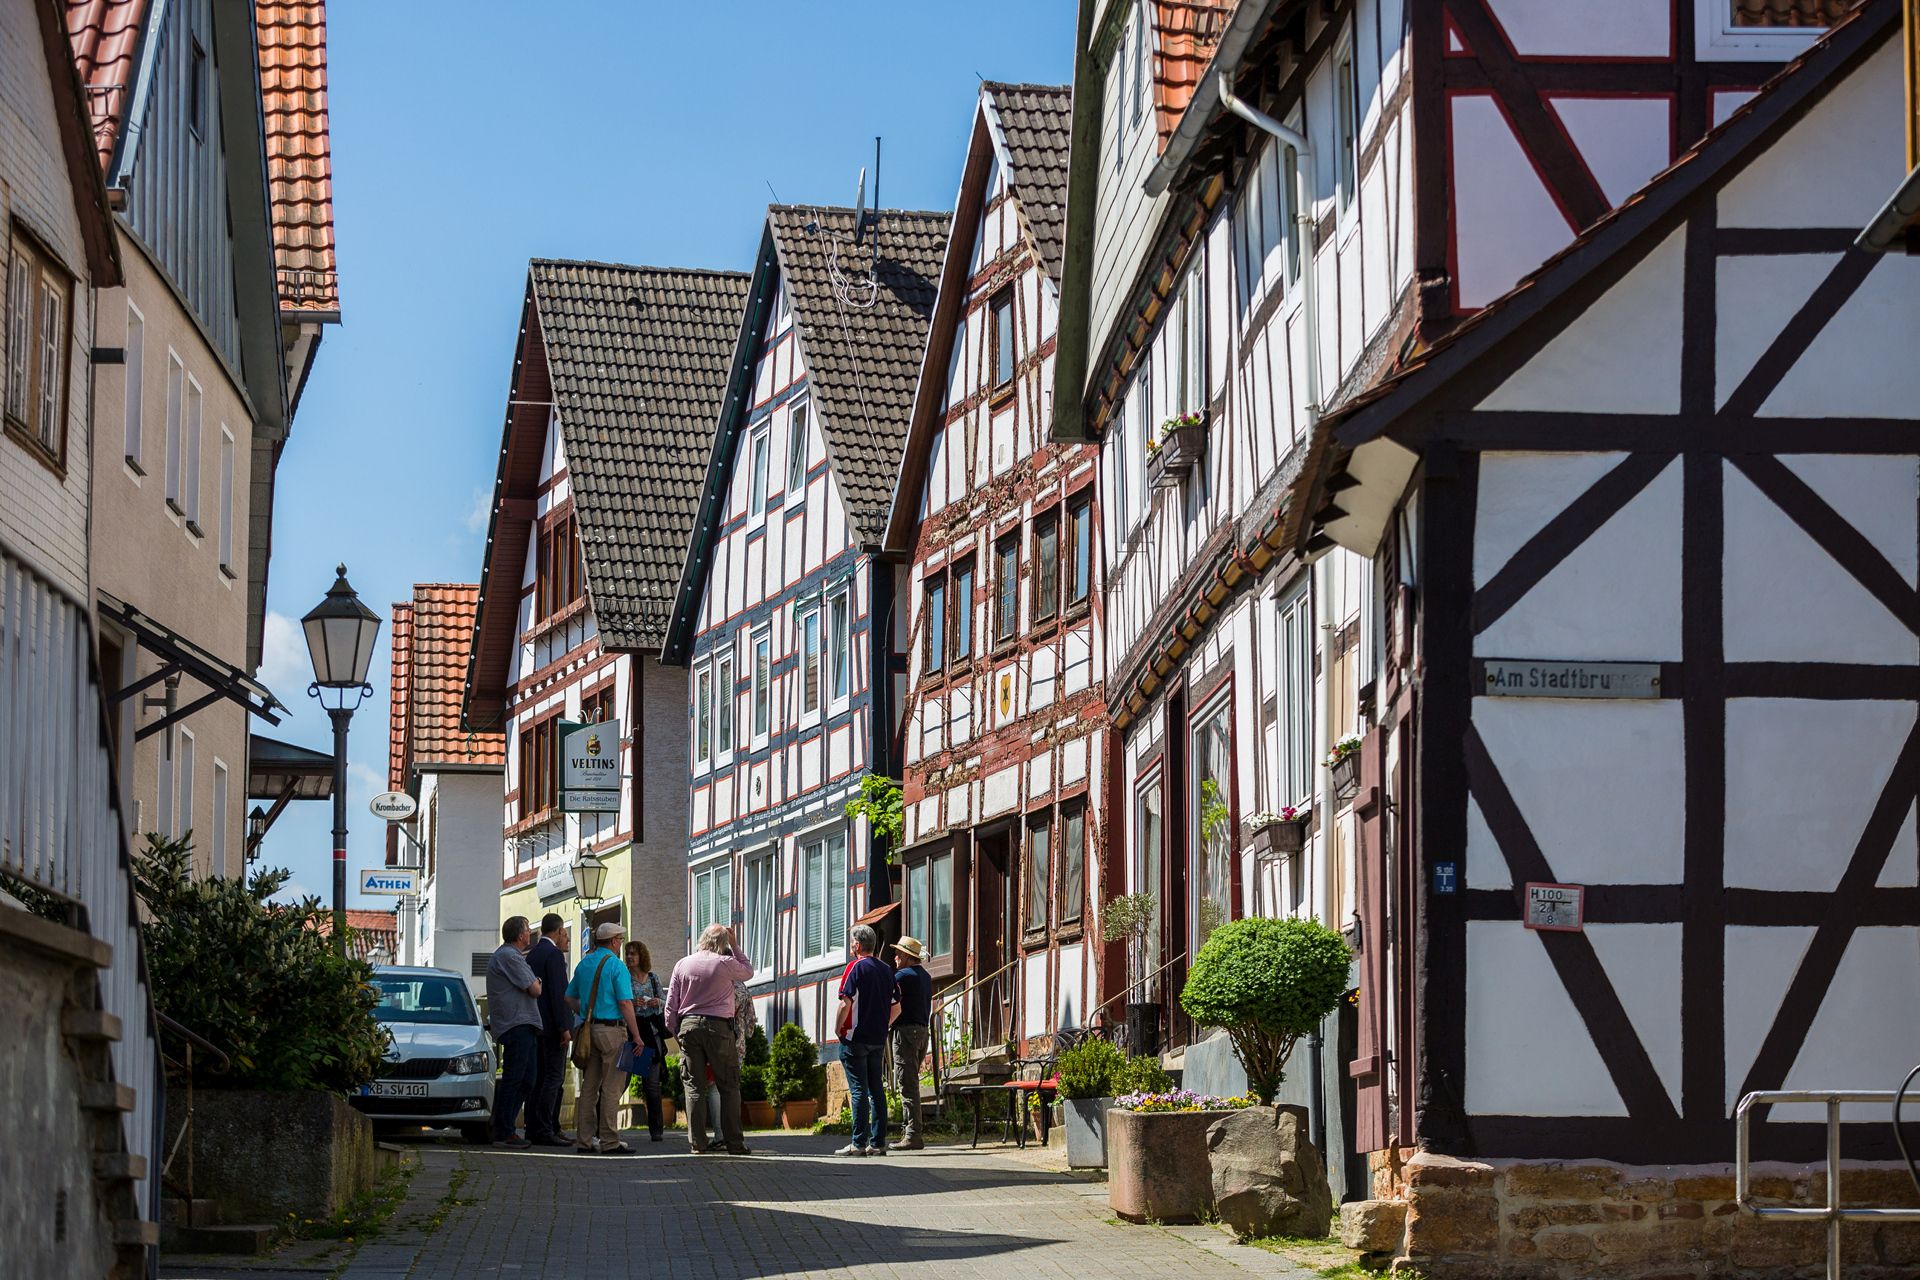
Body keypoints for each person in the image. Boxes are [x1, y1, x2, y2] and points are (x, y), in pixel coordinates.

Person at [664, 923, 754, 1155]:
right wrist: (735, 945)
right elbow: (748, 971)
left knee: (694, 1086)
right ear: (722, 943)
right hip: (719, 1027)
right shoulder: (725, 963)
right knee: (728, 1085)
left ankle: (697, 1143)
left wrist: (676, 1031)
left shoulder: (682, 964)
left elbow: (671, 1005)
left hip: (689, 1026)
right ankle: (734, 1143)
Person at [564, 921, 646, 1155]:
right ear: (613, 942)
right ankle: (610, 1141)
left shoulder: (584, 964)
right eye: (620, 940)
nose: (621, 944)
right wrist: (637, 1035)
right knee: (612, 1087)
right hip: (612, 1031)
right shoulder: (616, 966)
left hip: (589, 1031)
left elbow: (568, 997)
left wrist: (586, 1013)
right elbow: (625, 1003)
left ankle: (584, 1140)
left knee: (589, 1087)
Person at [835, 924, 899, 1157]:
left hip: (855, 1037)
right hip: (877, 1038)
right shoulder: (887, 970)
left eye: (851, 942)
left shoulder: (855, 968)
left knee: (859, 1090)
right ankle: (878, 1143)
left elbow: (845, 1002)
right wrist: (884, 1025)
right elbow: (897, 1007)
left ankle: (858, 1143)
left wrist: (838, 1028)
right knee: (876, 1089)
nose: (850, 946)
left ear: (857, 945)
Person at [484, 916, 544, 1148]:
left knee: (527, 1079)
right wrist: (537, 981)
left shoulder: (509, 956)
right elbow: (535, 989)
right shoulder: (510, 956)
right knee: (515, 1078)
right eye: (527, 930)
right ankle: (503, 1131)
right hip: (516, 1024)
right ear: (520, 935)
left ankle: (505, 1126)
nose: (529, 933)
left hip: (521, 1024)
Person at [527, 914, 572, 1146]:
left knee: (539, 1078)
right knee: (553, 1078)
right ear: (559, 931)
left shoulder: (533, 953)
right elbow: (558, 993)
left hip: (536, 1025)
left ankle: (536, 1127)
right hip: (553, 1028)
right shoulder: (553, 954)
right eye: (565, 933)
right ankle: (546, 1129)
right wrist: (564, 1027)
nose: (567, 938)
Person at [889, 935, 933, 1151]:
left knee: (907, 1083)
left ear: (907, 956)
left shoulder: (902, 976)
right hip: (922, 1031)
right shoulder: (925, 976)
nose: (895, 957)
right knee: (911, 1080)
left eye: (898, 954)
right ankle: (911, 1131)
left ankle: (913, 1134)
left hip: (905, 1031)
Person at [623, 939, 668, 1143]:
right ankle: (603, 1126)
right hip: (631, 1033)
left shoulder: (652, 978)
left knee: (652, 1085)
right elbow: (620, 1002)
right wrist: (632, 1003)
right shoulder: (624, 977)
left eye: (633, 953)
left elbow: (665, 1002)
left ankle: (656, 1130)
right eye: (627, 954)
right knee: (621, 1081)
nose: (629, 957)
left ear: (642, 956)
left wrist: (656, 1002)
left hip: (651, 1033)